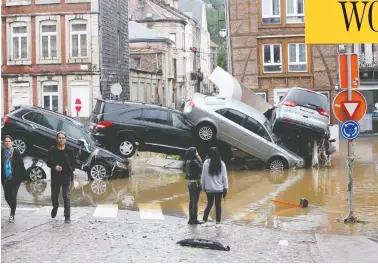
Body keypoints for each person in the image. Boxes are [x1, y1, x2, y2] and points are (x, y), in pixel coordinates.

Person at [47, 131, 76, 223]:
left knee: (66, 196)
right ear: (57, 139)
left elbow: (74, 165)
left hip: (66, 176)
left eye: (63, 138)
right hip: (55, 177)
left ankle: (67, 216)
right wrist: (55, 166)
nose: (61, 139)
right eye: (59, 138)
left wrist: (68, 169)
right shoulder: (52, 149)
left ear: (65, 140)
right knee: (54, 197)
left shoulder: (70, 151)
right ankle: (55, 207)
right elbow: (48, 162)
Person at [1, 135, 27, 223]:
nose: (7, 143)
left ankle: (12, 214)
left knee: (13, 196)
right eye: (6, 141)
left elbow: (21, 165)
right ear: (4, 143)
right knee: (7, 197)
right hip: (5, 178)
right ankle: (13, 206)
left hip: (15, 179)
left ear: (12, 142)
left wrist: (25, 177)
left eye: (9, 141)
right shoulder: (2, 152)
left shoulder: (16, 152)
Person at [201, 147, 228, 228]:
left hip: (209, 189)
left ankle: (204, 221)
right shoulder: (221, 163)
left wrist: (203, 187)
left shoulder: (206, 162)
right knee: (218, 205)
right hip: (219, 189)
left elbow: (203, 176)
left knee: (209, 204)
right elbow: (224, 177)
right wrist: (225, 187)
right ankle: (218, 223)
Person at [184, 147, 203, 225]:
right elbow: (202, 169)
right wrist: (200, 159)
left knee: (191, 201)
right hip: (195, 183)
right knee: (195, 202)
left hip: (190, 183)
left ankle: (190, 219)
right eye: (196, 152)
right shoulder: (195, 162)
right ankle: (194, 219)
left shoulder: (188, 161)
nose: (197, 153)